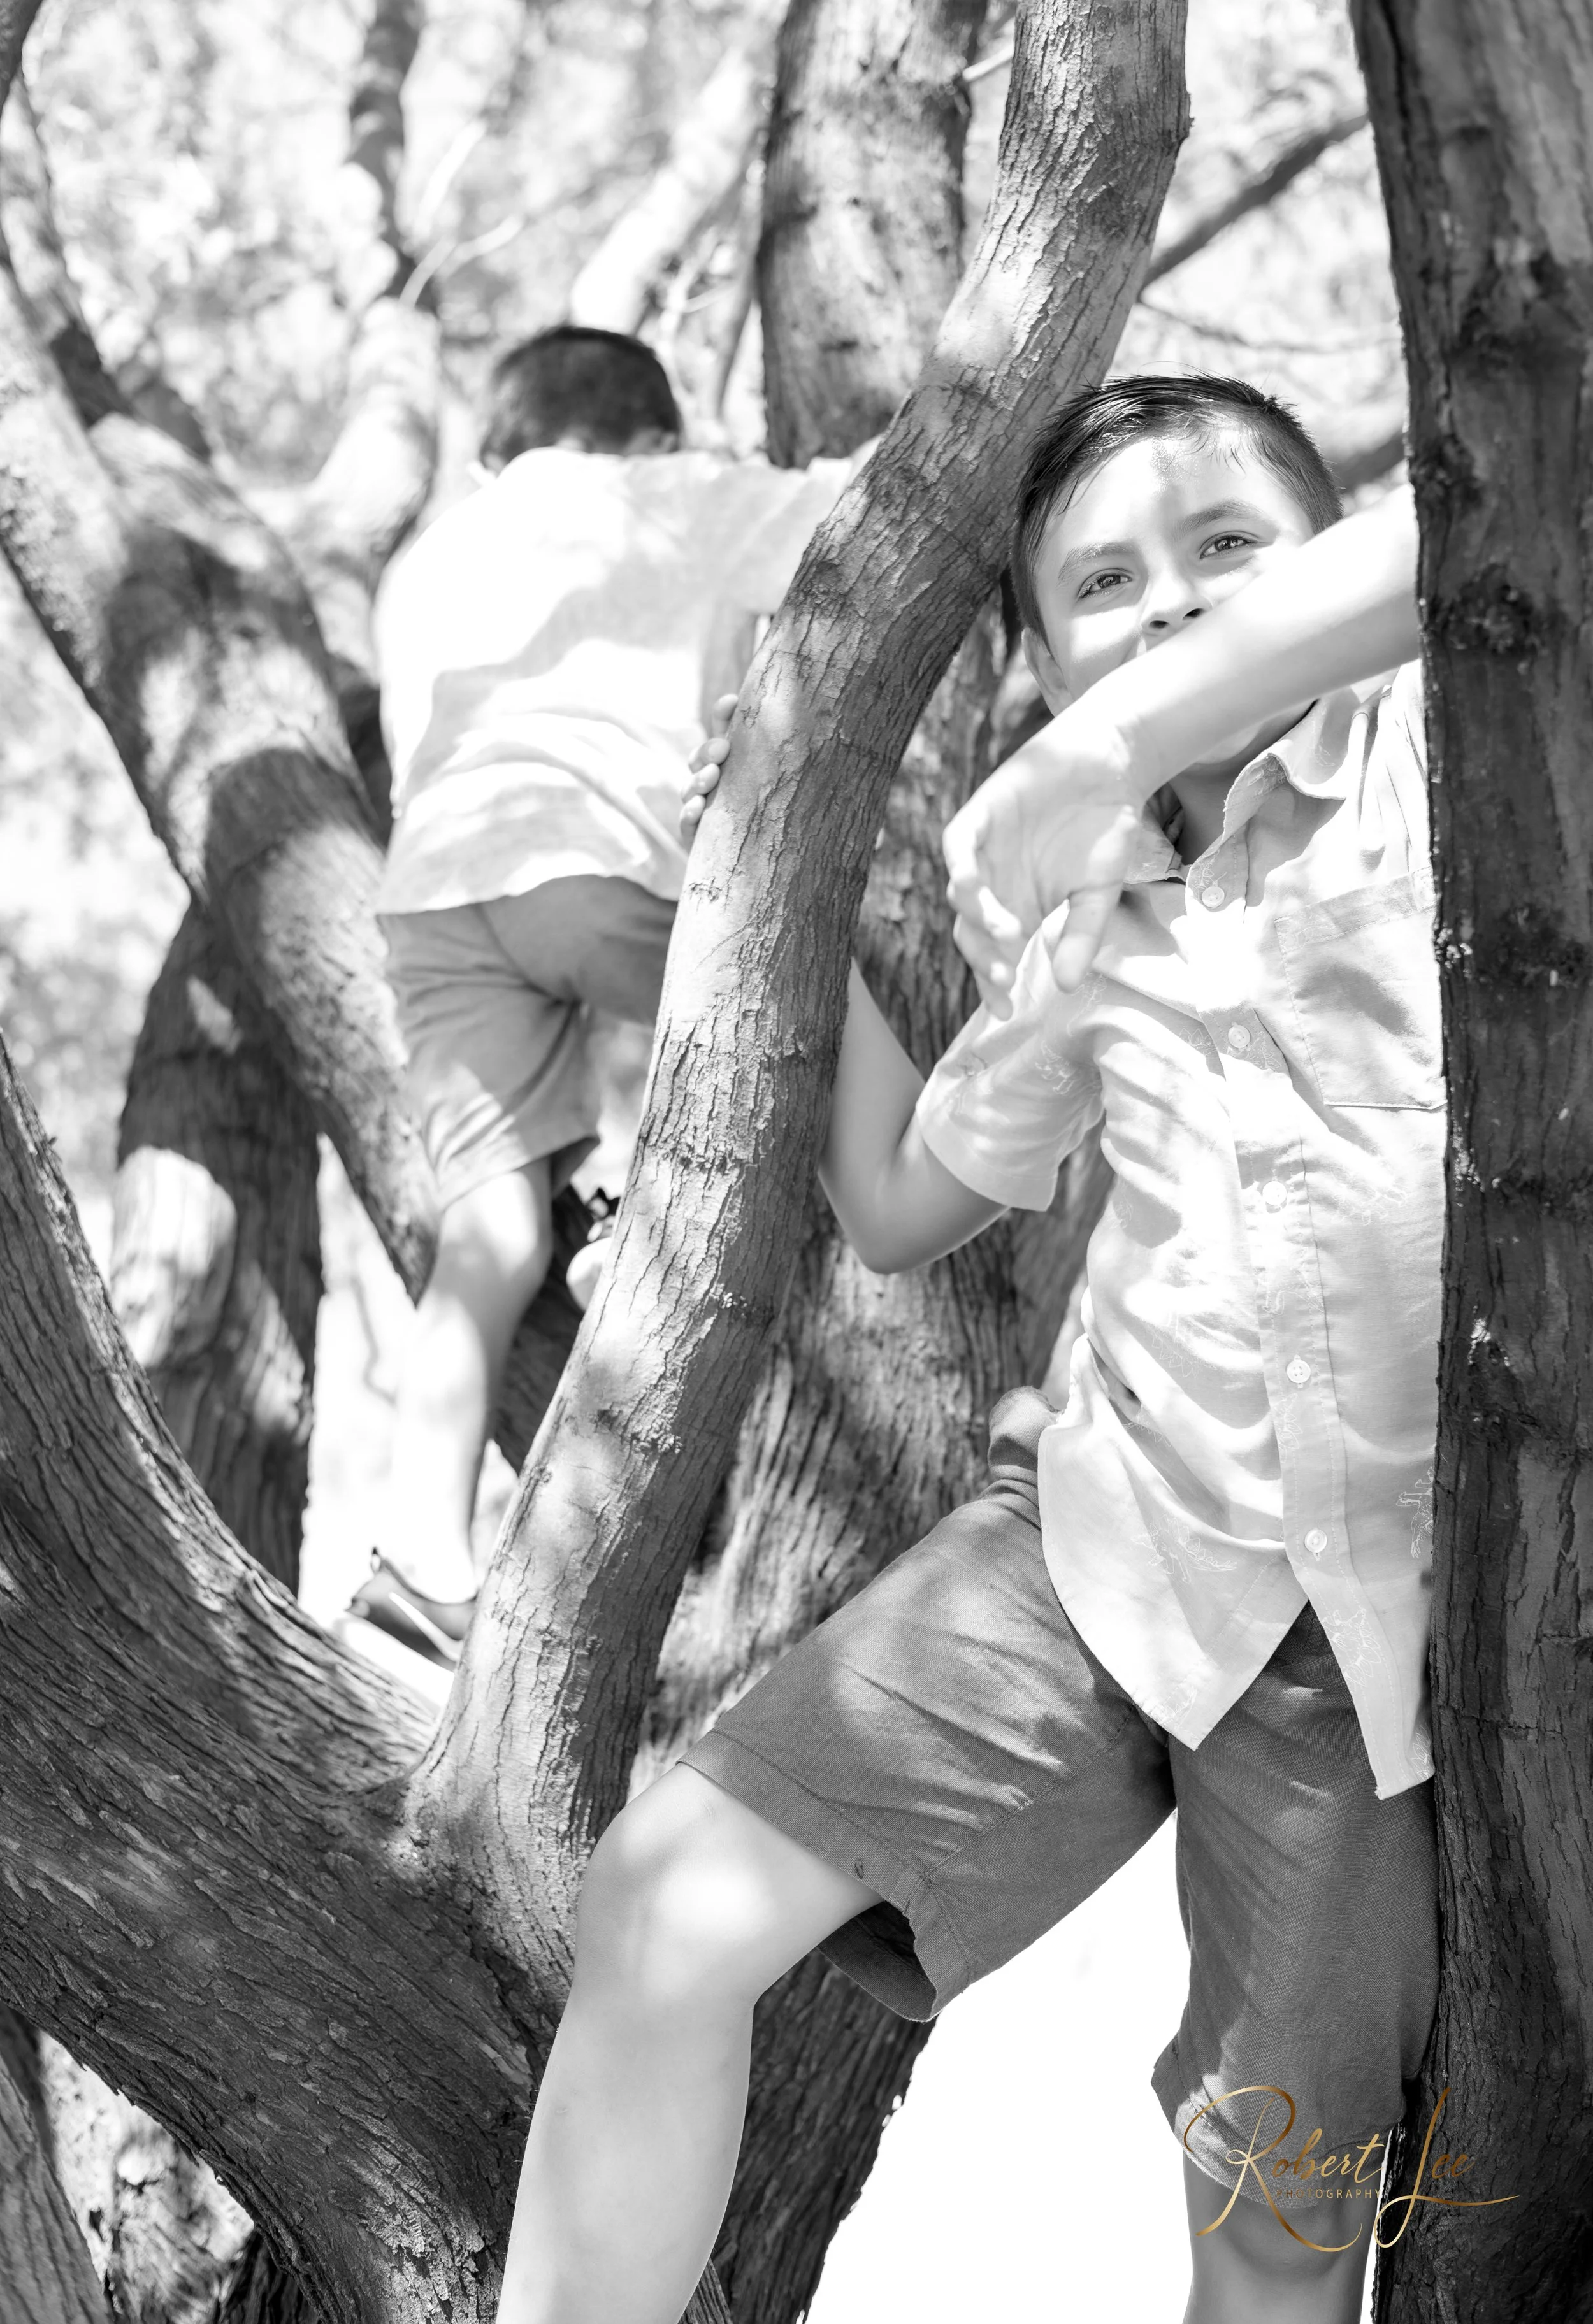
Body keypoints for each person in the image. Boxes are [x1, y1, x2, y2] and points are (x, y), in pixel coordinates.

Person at [496, 373, 1436, 2324]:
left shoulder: (1454, 767)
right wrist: (793, 902)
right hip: (1100, 1539)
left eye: (1225, 547)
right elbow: (907, 1202)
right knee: (659, 1907)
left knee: (1274, 2221)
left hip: (1367, 1646)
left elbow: (1491, 512)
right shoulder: (1083, 925)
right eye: (1102, 583)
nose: (1169, 602)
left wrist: (1134, 726)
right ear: (1035, 654)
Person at [350, 326, 856, 1668]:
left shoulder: (423, 557)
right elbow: (863, 505)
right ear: (649, 438)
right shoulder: (667, 493)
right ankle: (628, 1212)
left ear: (491, 448)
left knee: (482, 1235)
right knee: (791, 1032)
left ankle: (417, 1549)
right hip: (589, 846)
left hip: (436, 888)